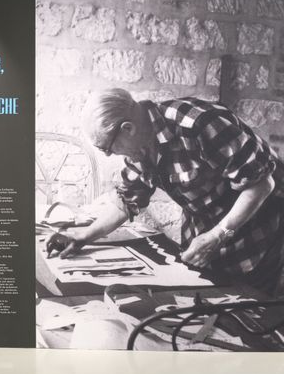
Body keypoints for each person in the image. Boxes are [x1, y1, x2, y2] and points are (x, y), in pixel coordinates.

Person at [47, 88, 284, 296]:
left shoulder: (199, 123)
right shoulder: (141, 145)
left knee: (249, 311)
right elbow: (127, 200)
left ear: (127, 128)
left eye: (108, 149)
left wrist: (218, 235)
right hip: (206, 225)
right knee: (203, 297)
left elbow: (262, 184)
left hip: (259, 225)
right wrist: (82, 236)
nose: (112, 156)